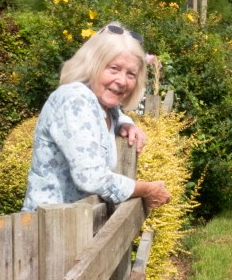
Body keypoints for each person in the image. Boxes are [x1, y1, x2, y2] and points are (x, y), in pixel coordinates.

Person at [21, 22, 171, 211]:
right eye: (114, 68)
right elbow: (90, 177)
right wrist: (146, 189)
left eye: (131, 74)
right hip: (49, 229)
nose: (122, 81)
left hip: (77, 227)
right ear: (93, 65)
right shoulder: (75, 98)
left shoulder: (104, 106)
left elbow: (111, 115)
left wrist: (126, 123)